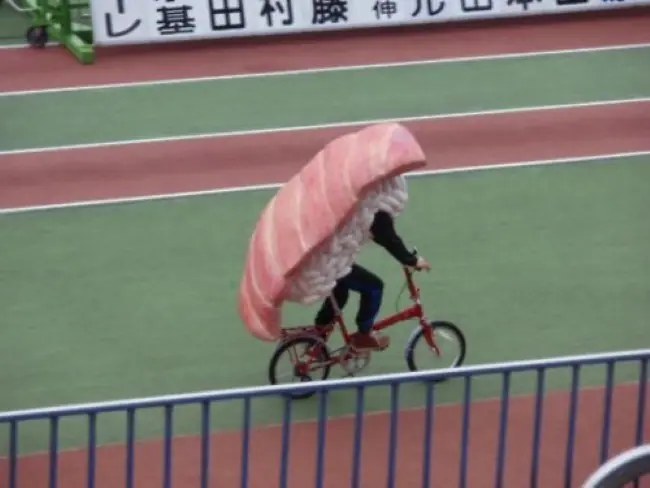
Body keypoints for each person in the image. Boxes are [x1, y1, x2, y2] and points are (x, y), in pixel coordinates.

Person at [314, 209, 431, 351]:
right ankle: (364, 334)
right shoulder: (372, 206)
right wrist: (412, 260)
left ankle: (317, 338)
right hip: (332, 262)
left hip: (322, 257)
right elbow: (386, 236)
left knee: (340, 292)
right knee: (374, 287)